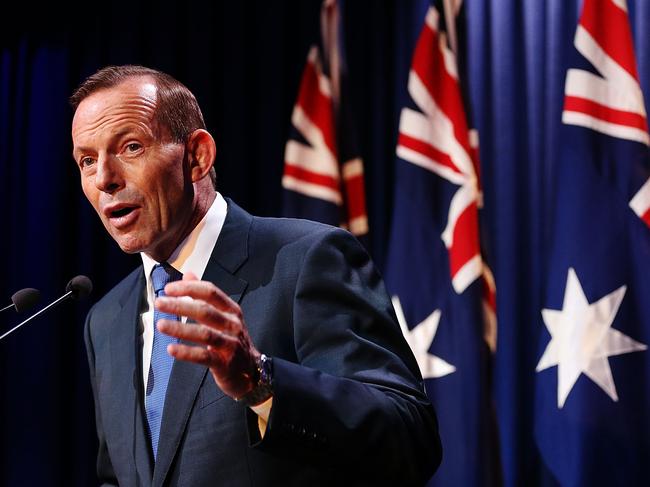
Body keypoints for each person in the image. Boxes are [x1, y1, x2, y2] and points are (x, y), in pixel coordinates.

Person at [71, 65, 441, 486]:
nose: (104, 178)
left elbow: (410, 435)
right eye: (86, 160)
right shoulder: (106, 320)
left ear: (197, 156)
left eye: (131, 147)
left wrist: (260, 381)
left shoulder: (305, 261)